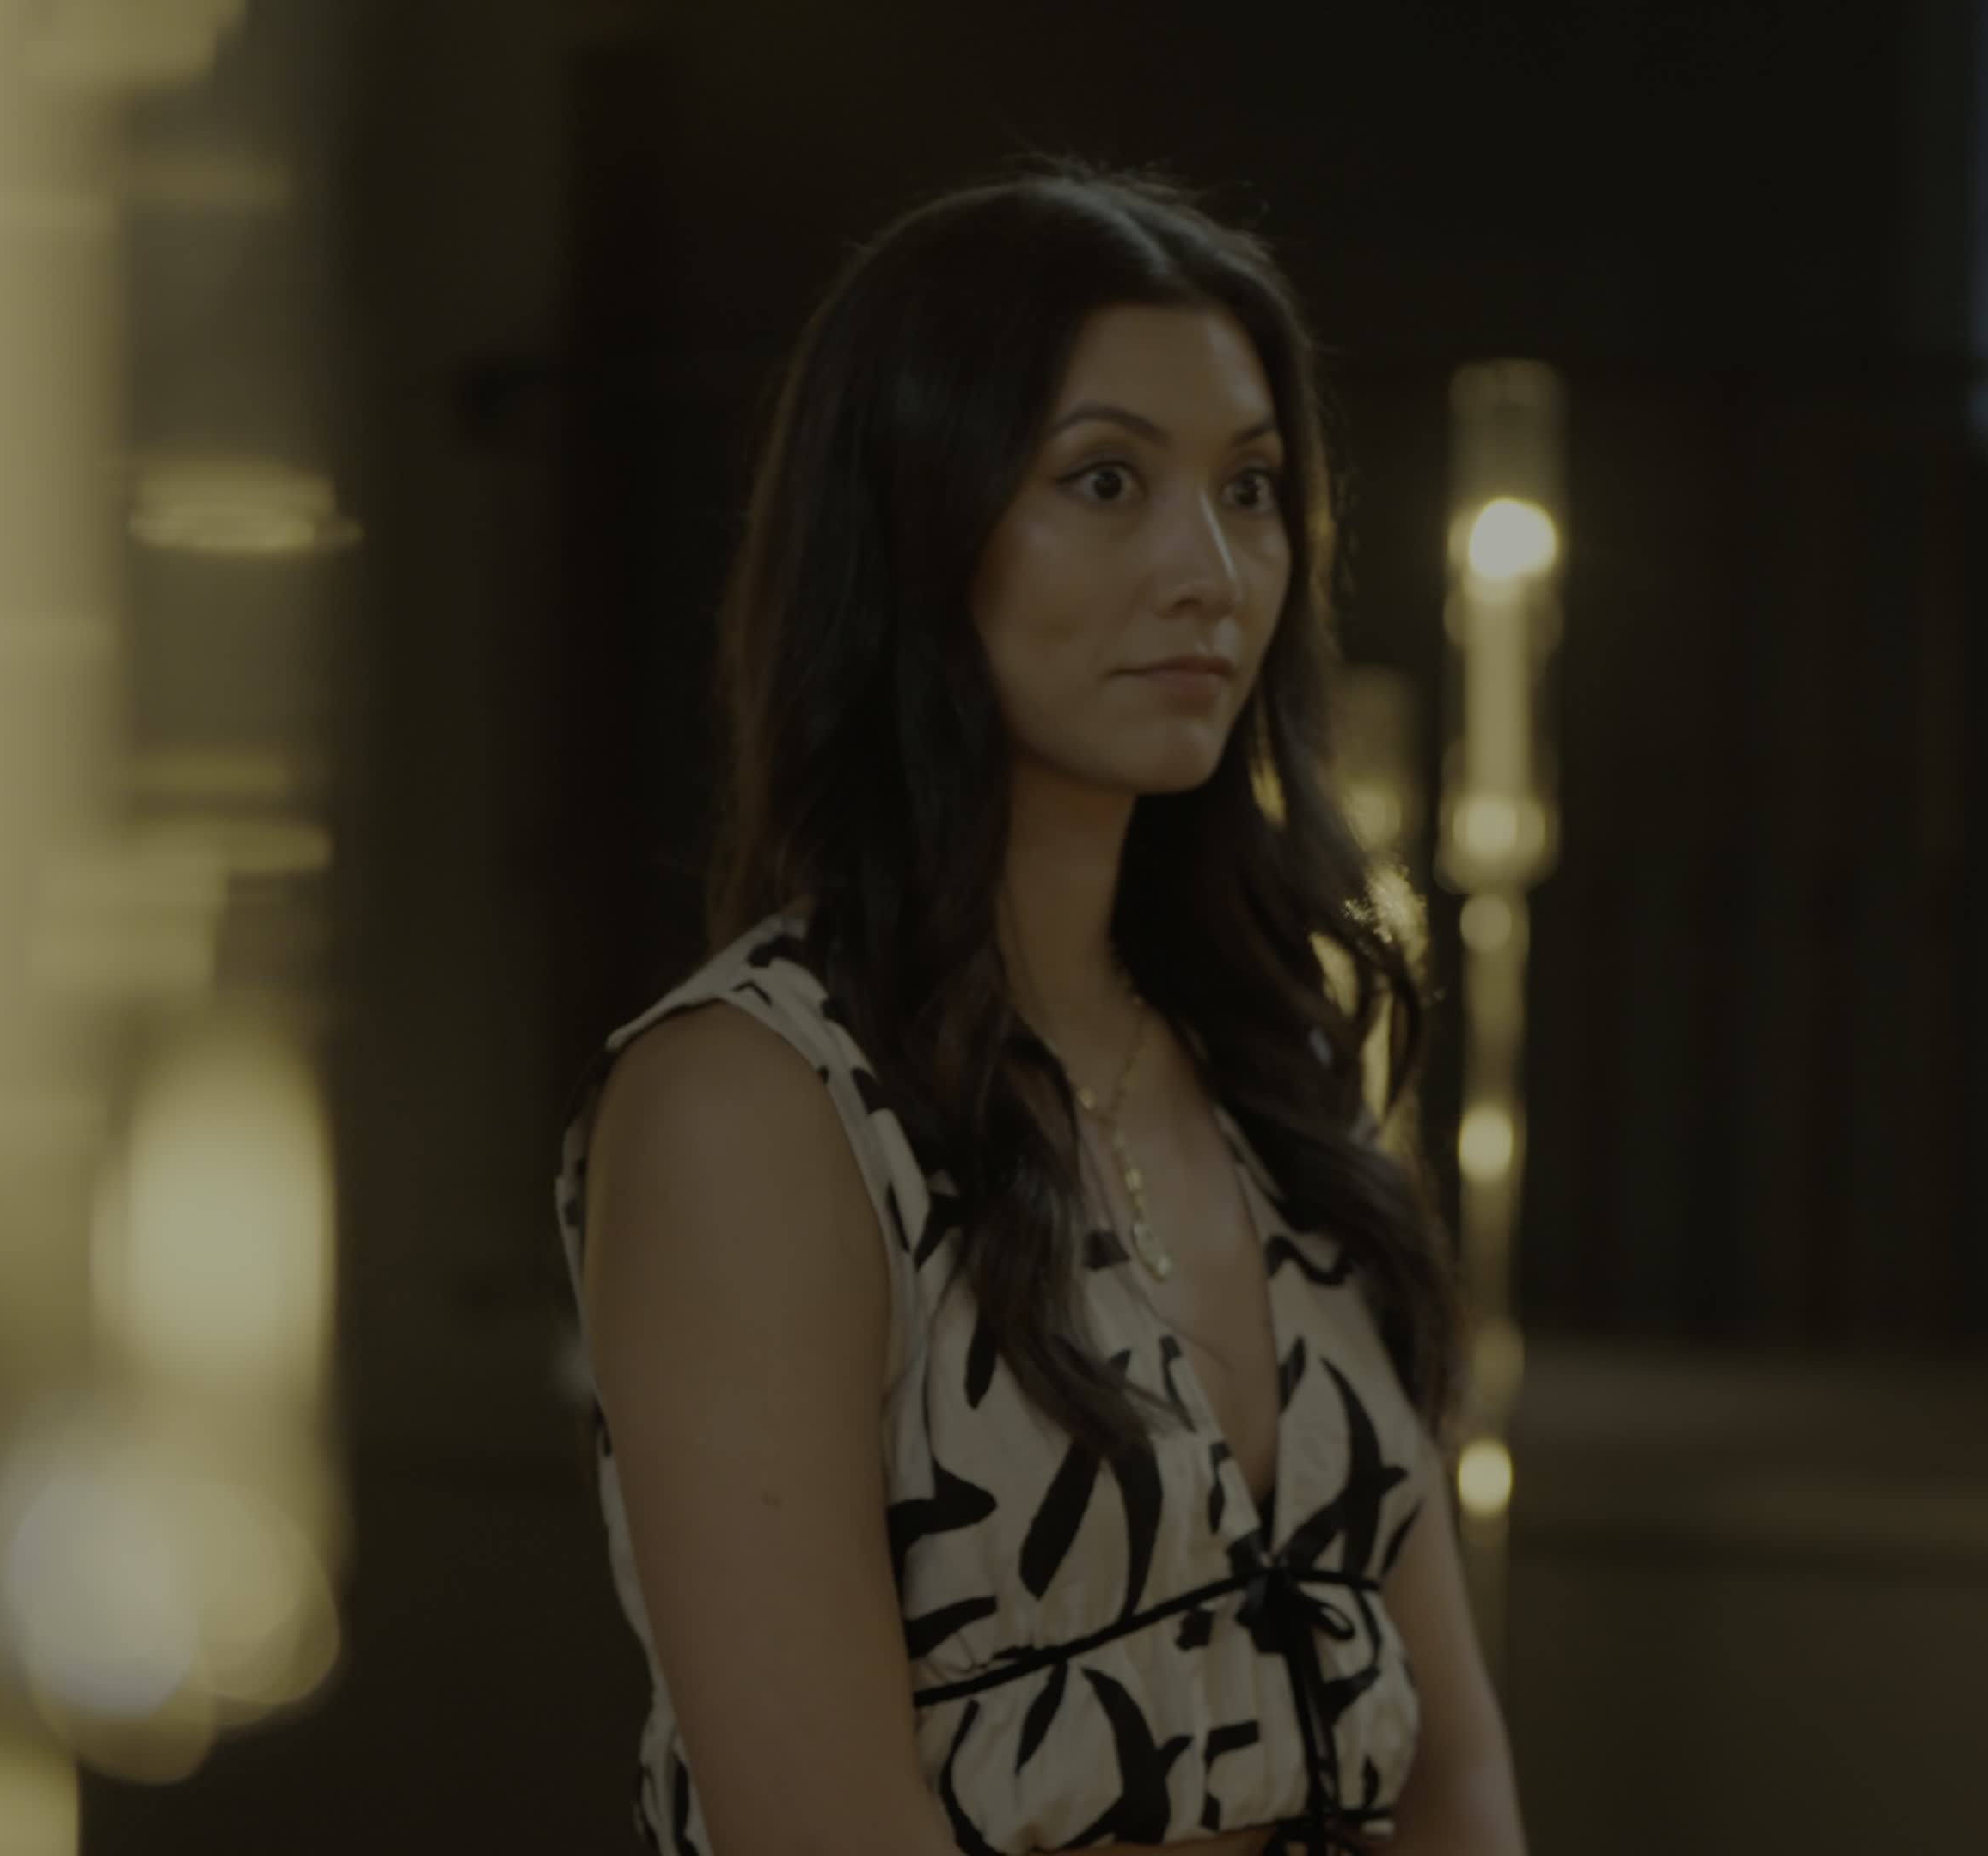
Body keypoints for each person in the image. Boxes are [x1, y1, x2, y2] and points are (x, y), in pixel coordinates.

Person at [552, 165, 1526, 1856]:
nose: (1209, 570)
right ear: (913, 531)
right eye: (1105, 481)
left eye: (1249, 489)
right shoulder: (758, 1102)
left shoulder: (1276, 1064)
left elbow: (1455, 1776)